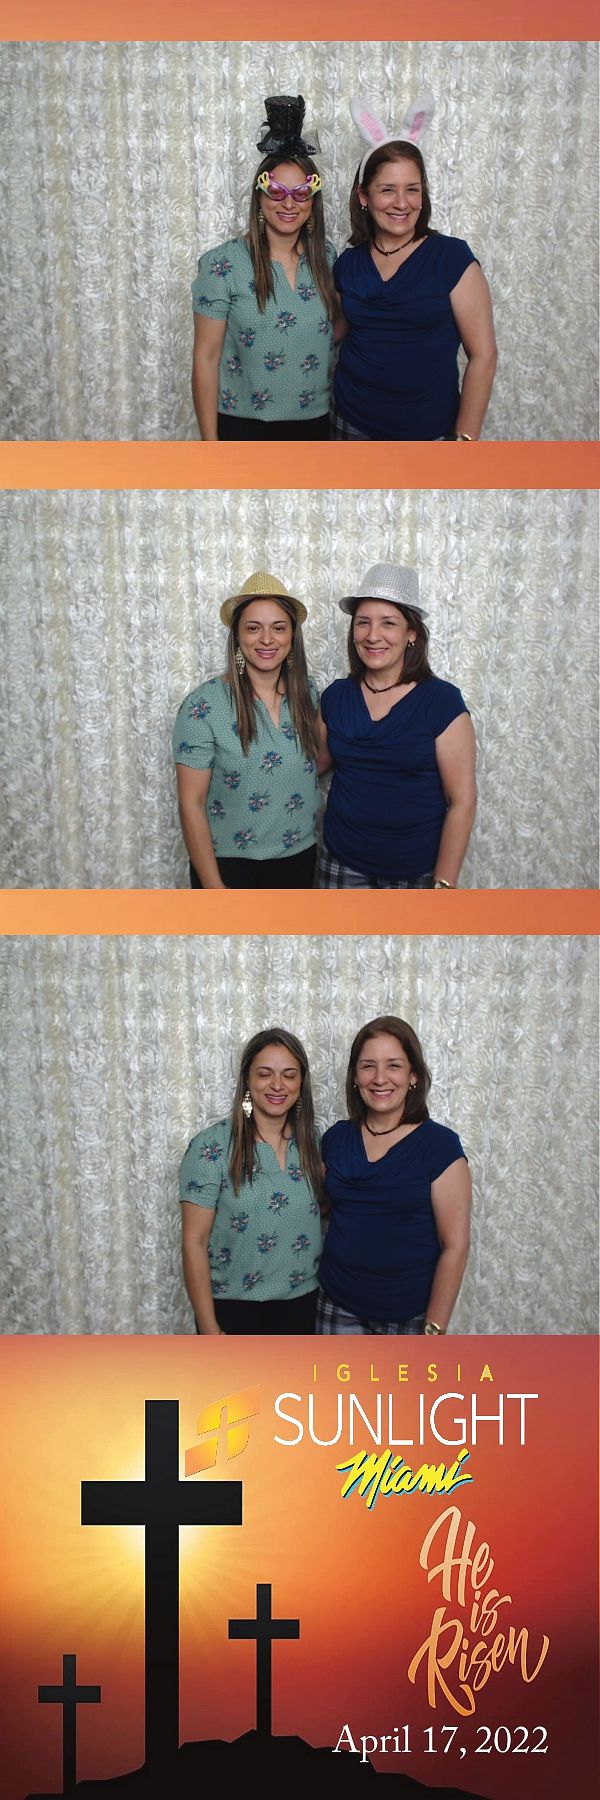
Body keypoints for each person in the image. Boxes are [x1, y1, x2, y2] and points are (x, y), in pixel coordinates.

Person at [330, 95, 497, 441]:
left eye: (412, 190)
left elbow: (483, 355)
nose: (402, 203)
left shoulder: (451, 258)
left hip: (428, 434)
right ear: (364, 196)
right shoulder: (348, 263)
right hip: (349, 424)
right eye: (387, 190)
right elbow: (332, 333)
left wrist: (465, 442)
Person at [317, 562, 476, 889]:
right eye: (363, 623)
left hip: (415, 872)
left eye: (388, 623)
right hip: (340, 861)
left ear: (411, 633)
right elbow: (311, 766)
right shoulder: (335, 696)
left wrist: (444, 886)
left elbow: (462, 801)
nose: (372, 635)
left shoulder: (441, 701)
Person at [191, 94, 336, 440]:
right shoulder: (222, 265)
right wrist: (210, 447)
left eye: (301, 192)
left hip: (315, 426)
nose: (289, 203)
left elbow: (339, 330)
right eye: (276, 191)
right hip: (243, 428)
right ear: (259, 196)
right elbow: (206, 358)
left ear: (312, 201)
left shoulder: (326, 258)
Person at [316, 1016, 471, 1335]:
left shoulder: (440, 1146)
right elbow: (318, 1209)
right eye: (368, 1066)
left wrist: (434, 1329)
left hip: (410, 1315)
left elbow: (455, 1246)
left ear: (413, 1075)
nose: (379, 1078)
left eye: (394, 1066)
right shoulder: (336, 1139)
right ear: (355, 1077)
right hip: (336, 1304)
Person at [173, 571, 321, 889]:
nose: (267, 639)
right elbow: (191, 803)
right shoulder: (203, 705)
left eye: (278, 628)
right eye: (253, 628)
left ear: (292, 636)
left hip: (299, 859)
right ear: (238, 637)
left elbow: (315, 765)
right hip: (228, 866)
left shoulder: (308, 694)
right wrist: (215, 889)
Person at [180, 1029, 323, 1334]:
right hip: (232, 1310)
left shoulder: (313, 1142)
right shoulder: (212, 1147)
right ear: (247, 1079)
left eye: (289, 1075)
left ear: (301, 1082)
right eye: (265, 1074)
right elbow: (194, 1243)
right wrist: (209, 1330)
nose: (277, 1085)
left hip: (303, 1307)